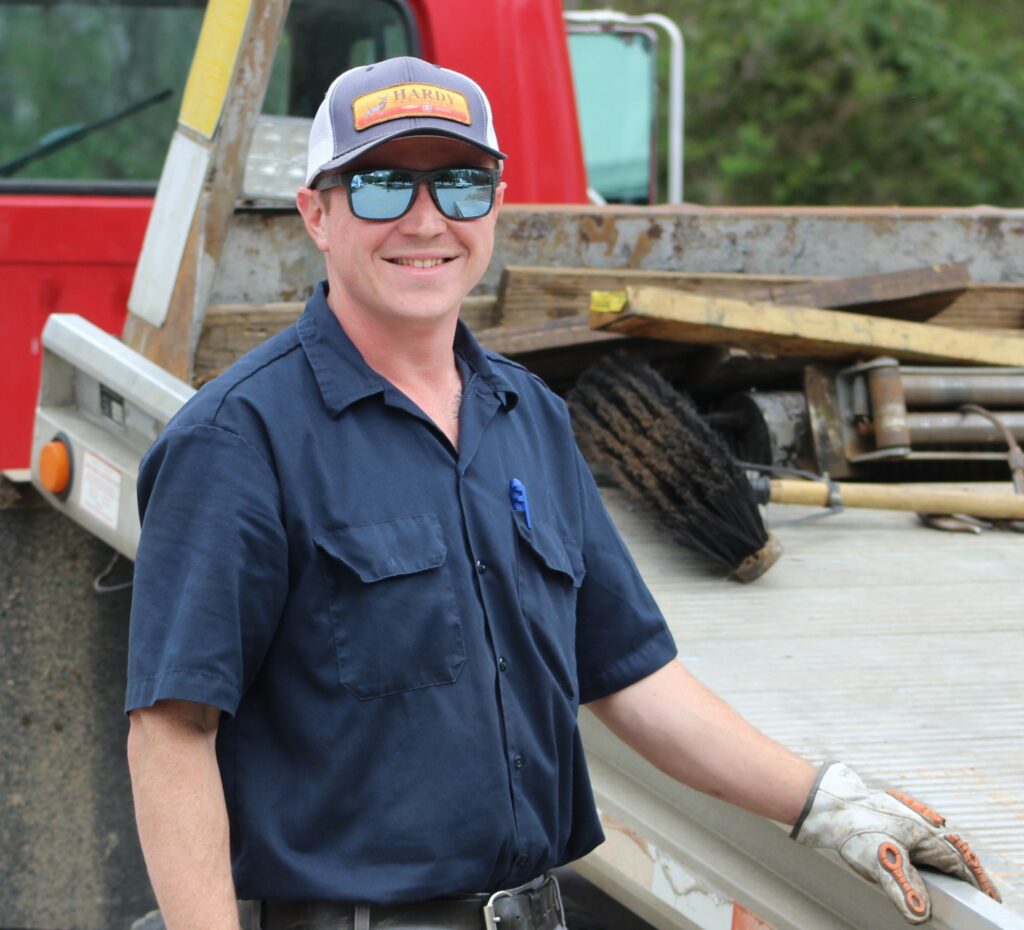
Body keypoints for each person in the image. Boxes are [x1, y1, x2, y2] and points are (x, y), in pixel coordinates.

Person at [125, 56, 1000, 930]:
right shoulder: (238, 440)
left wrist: (824, 804)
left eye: (461, 185)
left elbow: (631, 675)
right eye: (383, 186)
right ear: (317, 213)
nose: (426, 220)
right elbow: (171, 732)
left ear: (496, 208)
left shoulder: (530, 417)